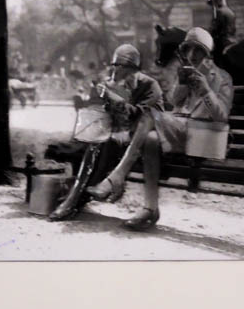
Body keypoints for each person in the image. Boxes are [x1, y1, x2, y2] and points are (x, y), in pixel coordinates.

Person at [87, 27, 233, 231]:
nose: (191, 55)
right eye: (188, 50)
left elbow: (222, 116)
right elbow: (172, 103)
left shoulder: (222, 77)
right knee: (151, 140)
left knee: (148, 115)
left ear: (208, 54)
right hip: (184, 134)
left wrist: (206, 90)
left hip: (207, 137)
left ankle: (118, 176)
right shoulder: (188, 73)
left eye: (197, 51)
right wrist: (182, 84)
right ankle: (150, 208)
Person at [48, 44, 162, 221]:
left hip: (145, 142)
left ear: (131, 67)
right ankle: (75, 199)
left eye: (118, 65)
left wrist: (112, 97)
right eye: (113, 65)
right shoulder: (113, 84)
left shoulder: (149, 85)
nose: (113, 69)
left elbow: (140, 117)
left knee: (102, 146)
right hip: (117, 139)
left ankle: (74, 201)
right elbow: (104, 116)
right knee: (95, 145)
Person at [206, 0, 236, 67]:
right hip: (231, 39)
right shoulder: (230, 12)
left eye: (213, 4)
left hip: (221, 41)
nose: (212, 7)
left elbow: (215, 28)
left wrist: (209, 34)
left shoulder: (219, 12)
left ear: (216, 2)